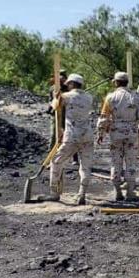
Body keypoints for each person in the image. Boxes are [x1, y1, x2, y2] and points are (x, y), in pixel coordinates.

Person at [42, 73, 93, 205]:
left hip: (72, 136)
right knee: (85, 167)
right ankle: (82, 194)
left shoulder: (66, 96)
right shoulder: (89, 97)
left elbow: (53, 107)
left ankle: (54, 193)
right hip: (87, 135)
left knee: (56, 162)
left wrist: (56, 95)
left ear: (70, 84)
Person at [98, 72, 139, 201]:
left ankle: (117, 192)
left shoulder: (110, 97)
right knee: (131, 162)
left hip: (116, 133)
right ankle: (130, 193)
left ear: (116, 82)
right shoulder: (135, 97)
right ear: (127, 82)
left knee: (116, 162)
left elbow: (104, 118)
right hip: (132, 132)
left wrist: (101, 133)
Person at [48, 69, 69, 149]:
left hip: (67, 114)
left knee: (69, 133)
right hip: (56, 113)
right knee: (54, 133)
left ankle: (74, 157)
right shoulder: (53, 88)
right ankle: (51, 151)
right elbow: (52, 100)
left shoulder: (68, 88)